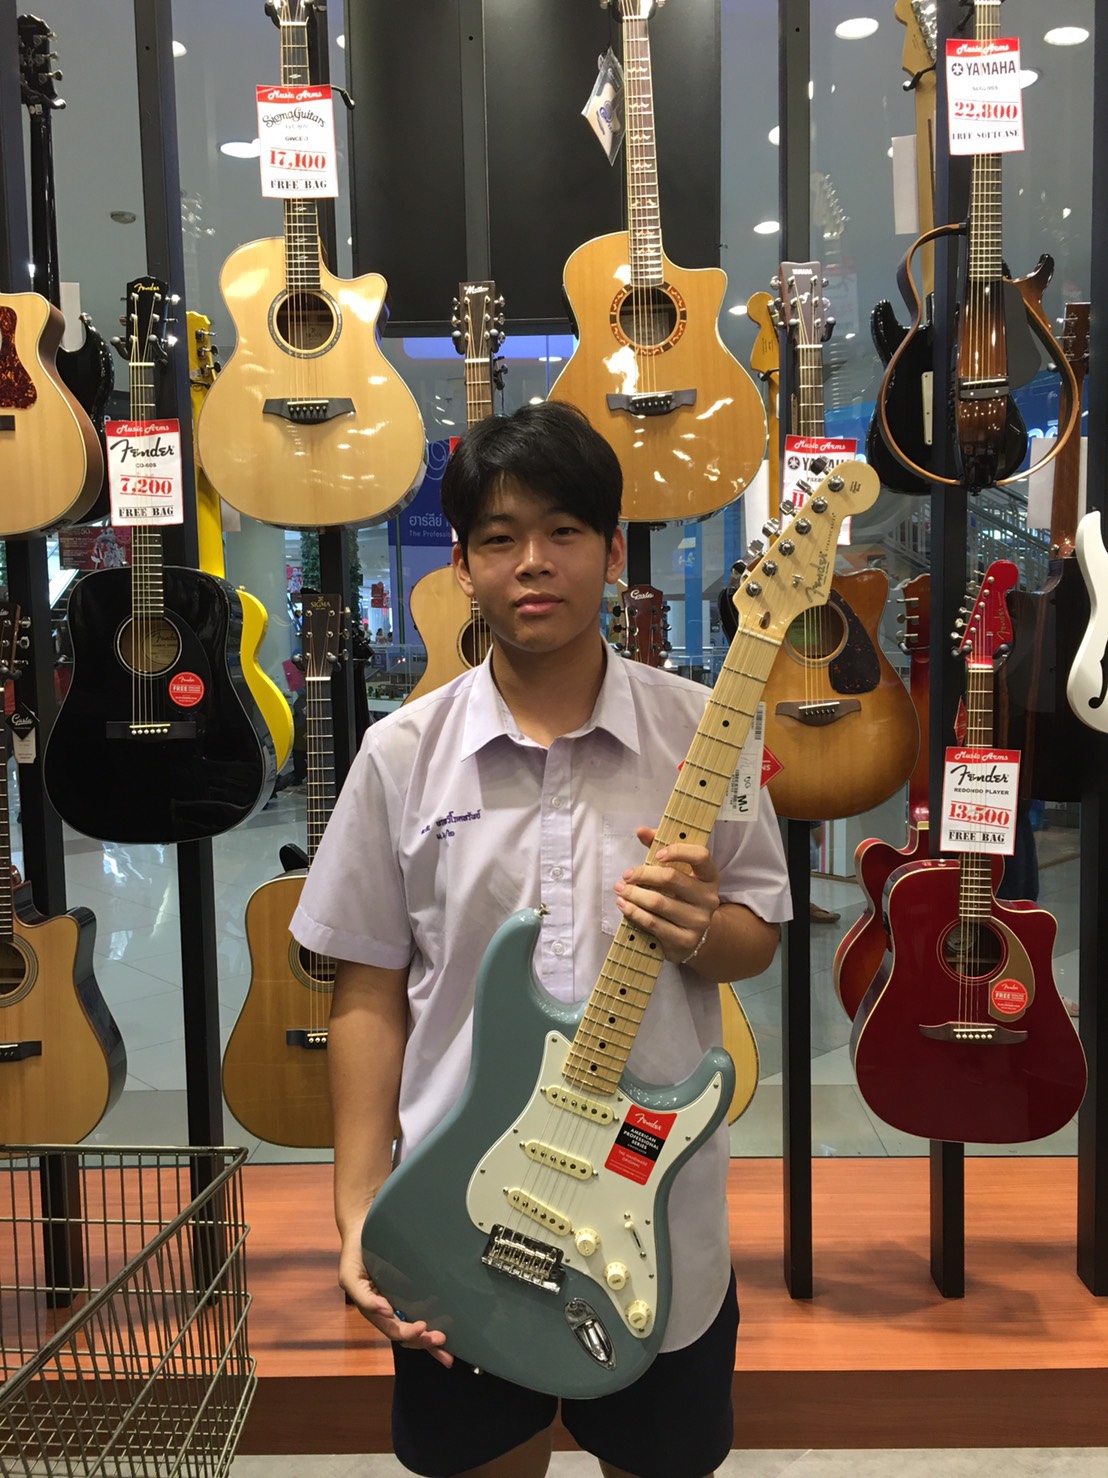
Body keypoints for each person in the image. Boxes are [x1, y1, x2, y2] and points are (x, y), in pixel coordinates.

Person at [291, 401, 792, 1478]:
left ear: (612, 551)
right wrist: (357, 1212)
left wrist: (702, 931)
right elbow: (369, 993)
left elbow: (757, 934)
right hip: (454, 1212)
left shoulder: (705, 735)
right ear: (462, 566)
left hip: (653, 1217)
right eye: (499, 536)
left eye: (564, 530)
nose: (533, 561)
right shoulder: (400, 755)